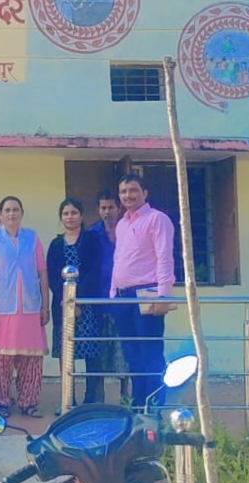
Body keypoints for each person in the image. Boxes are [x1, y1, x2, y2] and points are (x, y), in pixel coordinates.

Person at [0, 196, 49, 419]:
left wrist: (45, 306)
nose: (11, 214)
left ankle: (29, 402)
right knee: (0, 360)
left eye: (15, 209)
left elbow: (42, 273)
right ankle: (1, 402)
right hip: (1, 309)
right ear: (0, 214)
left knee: (31, 358)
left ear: (22, 213)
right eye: (7, 210)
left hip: (29, 308)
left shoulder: (32, 238)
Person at [110, 173, 176, 410]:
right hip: (122, 297)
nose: (128, 195)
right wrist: (113, 293)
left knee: (151, 353)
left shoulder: (157, 219)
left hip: (147, 294)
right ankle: (138, 405)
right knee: (132, 354)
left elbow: (164, 258)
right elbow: (118, 259)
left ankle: (154, 406)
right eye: (123, 191)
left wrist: (163, 296)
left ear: (144, 193)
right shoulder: (122, 224)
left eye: (133, 190)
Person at [46, 197, 105, 408]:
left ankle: (93, 399)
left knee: (91, 352)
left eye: (73, 213)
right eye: (65, 213)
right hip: (63, 305)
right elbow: (52, 276)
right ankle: (68, 399)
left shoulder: (91, 240)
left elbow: (94, 271)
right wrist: (67, 300)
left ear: (81, 216)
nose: (69, 217)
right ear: (61, 218)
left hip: (87, 304)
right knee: (66, 351)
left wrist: (77, 299)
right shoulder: (55, 244)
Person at [89, 189, 130, 400]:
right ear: (98, 210)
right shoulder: (91, 234)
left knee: (124, 349)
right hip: (99, 300)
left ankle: (125, 395)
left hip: (124, 299)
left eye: (111, 207)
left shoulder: (127, 229)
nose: (107, 212)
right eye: (103, 208)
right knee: (99, 349)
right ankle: (100, 396)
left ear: (118, 208)